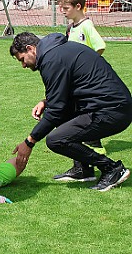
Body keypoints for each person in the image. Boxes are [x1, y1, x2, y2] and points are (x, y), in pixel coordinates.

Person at [10, 32, 132, 192]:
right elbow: (63, 96)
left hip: (112, 111)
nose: (23, 65)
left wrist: (29, 142)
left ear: (30, 49)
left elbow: (56, 110)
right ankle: (83, 169)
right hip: (111, 106)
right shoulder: (55, 52)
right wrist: (46, 102)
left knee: (56, 140)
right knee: (62, 118)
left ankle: (112, 168)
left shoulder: (51, 59)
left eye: (22, 59)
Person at [38, 0, 106, 181]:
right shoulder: (71, 28)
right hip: (73, 83)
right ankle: (81, 167)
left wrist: (85, 66)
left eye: (66, 8)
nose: (62, 11)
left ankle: (96, 163)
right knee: (72, 120)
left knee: (83, 122)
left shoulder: (86, 26)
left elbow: (100, 46)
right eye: (61, 8)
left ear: (78, 7)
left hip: (83, 82)